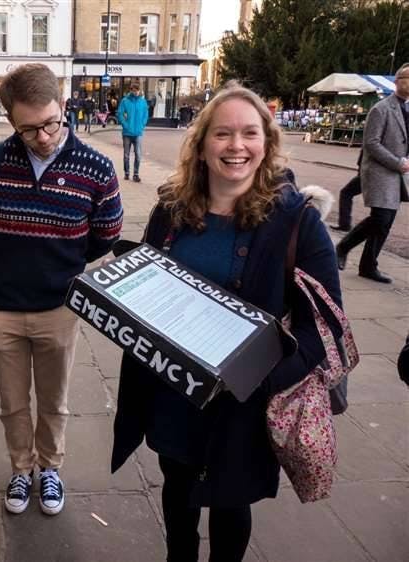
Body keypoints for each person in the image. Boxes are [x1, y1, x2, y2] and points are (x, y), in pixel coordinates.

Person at [111, 83, 342, 562]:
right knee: (177, 488)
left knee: (230, 502)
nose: (237, 146)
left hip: (245, 405)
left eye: (249, 134)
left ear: (267, 142)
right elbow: (152, 293)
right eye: (223, 134)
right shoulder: (170, 210)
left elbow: (325, 329)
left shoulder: (297, 220)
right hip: (175, 394)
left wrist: (259, 381)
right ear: (201, 144)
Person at [0, 63, 123, 516]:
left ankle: (50, 470)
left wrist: (60, 261)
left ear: (63, 108)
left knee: (54, 402)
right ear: (10, 121)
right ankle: (21, 470)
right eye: (29, 129)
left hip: (59, 308)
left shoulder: (97, 168)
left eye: (51, 123)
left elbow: (106, 233)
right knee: (11, 402)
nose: (43, 136)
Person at [336, 63, 409, 284]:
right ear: (398, 81)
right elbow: (371, 143)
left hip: (399, 173)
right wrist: (397, 162)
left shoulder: (406, 108)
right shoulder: (382, 108)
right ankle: (343, 246)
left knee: (386, 222)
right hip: (380, 171)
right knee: (380, 218)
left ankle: (368, 265)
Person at [117, 81, 149, 182]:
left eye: (137, 90)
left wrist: (142, 125)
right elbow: (120, 113)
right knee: (126, 155)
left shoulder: (143, 102)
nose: (135, 92)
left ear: (139, 91)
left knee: (138, 155)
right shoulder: (125, 101)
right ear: (131, 90)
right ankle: (127, 173)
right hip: (127, 133)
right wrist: (125, 125)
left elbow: (145, 114)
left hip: (138, 133)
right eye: (134, 90)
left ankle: (136, 174)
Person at [330, 151, 362, 232]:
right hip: (368, 172)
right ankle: (345, 224)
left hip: (368, 173)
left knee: (346, 193)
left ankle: (345, 224)